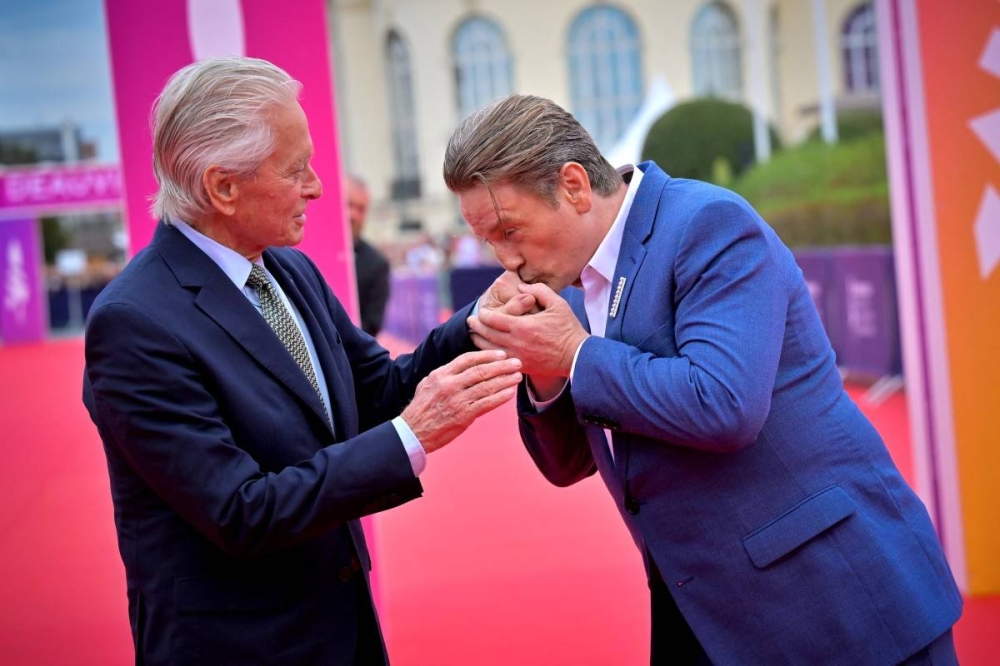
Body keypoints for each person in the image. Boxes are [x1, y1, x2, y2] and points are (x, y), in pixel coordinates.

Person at [446, 94, 962, 665]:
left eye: (509, 231)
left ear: (573, 185)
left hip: (836, 603)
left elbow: (725, 404)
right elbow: (569, 464)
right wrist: (548, 377)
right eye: (488, 242)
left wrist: (575, 354)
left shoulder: (708, 224)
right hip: (704, 614)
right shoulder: (566, 277)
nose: (505, 261)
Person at [81, 57, 522, 665]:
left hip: (340, 629)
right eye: (296, 170)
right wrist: (411, 437)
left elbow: (378, 389)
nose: (317, 187)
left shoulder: (289, 269)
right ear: (222, 187)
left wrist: (478, 321)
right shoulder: (134, 324)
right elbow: (241, 511)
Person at [346, 175, 391, 336]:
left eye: (361, 209)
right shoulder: (302, 251)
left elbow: (372, 325)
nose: (353, 215)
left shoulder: (376, 264)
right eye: (348, 204)